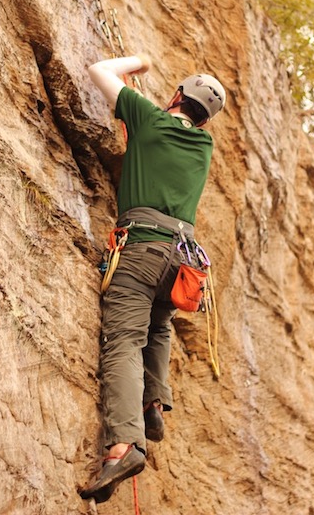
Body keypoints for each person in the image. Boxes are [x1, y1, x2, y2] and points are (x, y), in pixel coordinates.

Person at [80, 53, 226, 503]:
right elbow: (168, 132)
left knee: (124, 339)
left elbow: (99, 72)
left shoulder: (147, 118)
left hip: (141, 247)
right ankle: (153, 403)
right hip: (182, 260)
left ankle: (125, 446)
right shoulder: (203, 147)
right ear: (206, 119)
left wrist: (140, 63)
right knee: (158, 325)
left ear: (177, 96)